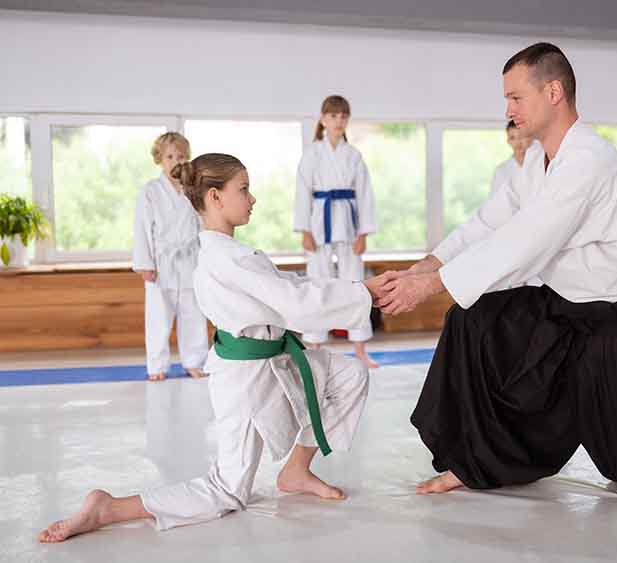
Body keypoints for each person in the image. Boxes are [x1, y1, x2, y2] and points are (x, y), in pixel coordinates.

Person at [373, 42, 617, 502]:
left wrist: (428, 287)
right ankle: (472, 460)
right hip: (565, 314)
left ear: (553, 91)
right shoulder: (538, 159)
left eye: (516, 97)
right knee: (474, 322)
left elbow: (524, 240)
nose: (508, 109)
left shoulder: (590, 162)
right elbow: (491, 220)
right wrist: (425, 266)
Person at [39, 153, 379, 542]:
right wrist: (363, 292)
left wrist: (358, 292)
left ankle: (296, 470)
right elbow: (297, 304)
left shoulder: (230, 254)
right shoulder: (227, 258)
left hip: (274, 362)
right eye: (244, 189)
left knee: (349, 373)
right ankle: (111, 508)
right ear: (215, 197)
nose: (252, 199)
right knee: (228, 489)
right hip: (247, 380)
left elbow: (290, 290)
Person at [294, 95, 379, 368]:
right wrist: (304, 229)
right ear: (323, 119)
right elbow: (301, 193)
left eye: (343, 116)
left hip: (349, 223)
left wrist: (363, 233)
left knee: (355, 285)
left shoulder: (354, 155)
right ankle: (315, 345)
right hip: (319, 222)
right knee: (318, 283)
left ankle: (360, 349)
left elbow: (365, 195)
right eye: (333, 116)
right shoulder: (311, 154)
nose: (338, 121)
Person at [133, 132, 208, 381]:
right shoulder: (150, 191)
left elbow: (203, 225)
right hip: (160, 261)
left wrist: (206, 259)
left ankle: (195, 361)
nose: (175, 161)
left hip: (190, 259)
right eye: (169, 156)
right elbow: (142, 228)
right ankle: (157, 366)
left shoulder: (193, 189)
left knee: (193, 314)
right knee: (158, 317)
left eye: (181, 156)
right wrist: (145, 263)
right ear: (159, 159)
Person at [490, 120, 534, 198]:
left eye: (521, 136)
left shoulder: (540, 166)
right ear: (508, 141)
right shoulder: (501, 171)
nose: (518, 142)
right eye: (512, 137)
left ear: (531, 138)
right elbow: (496, 201)